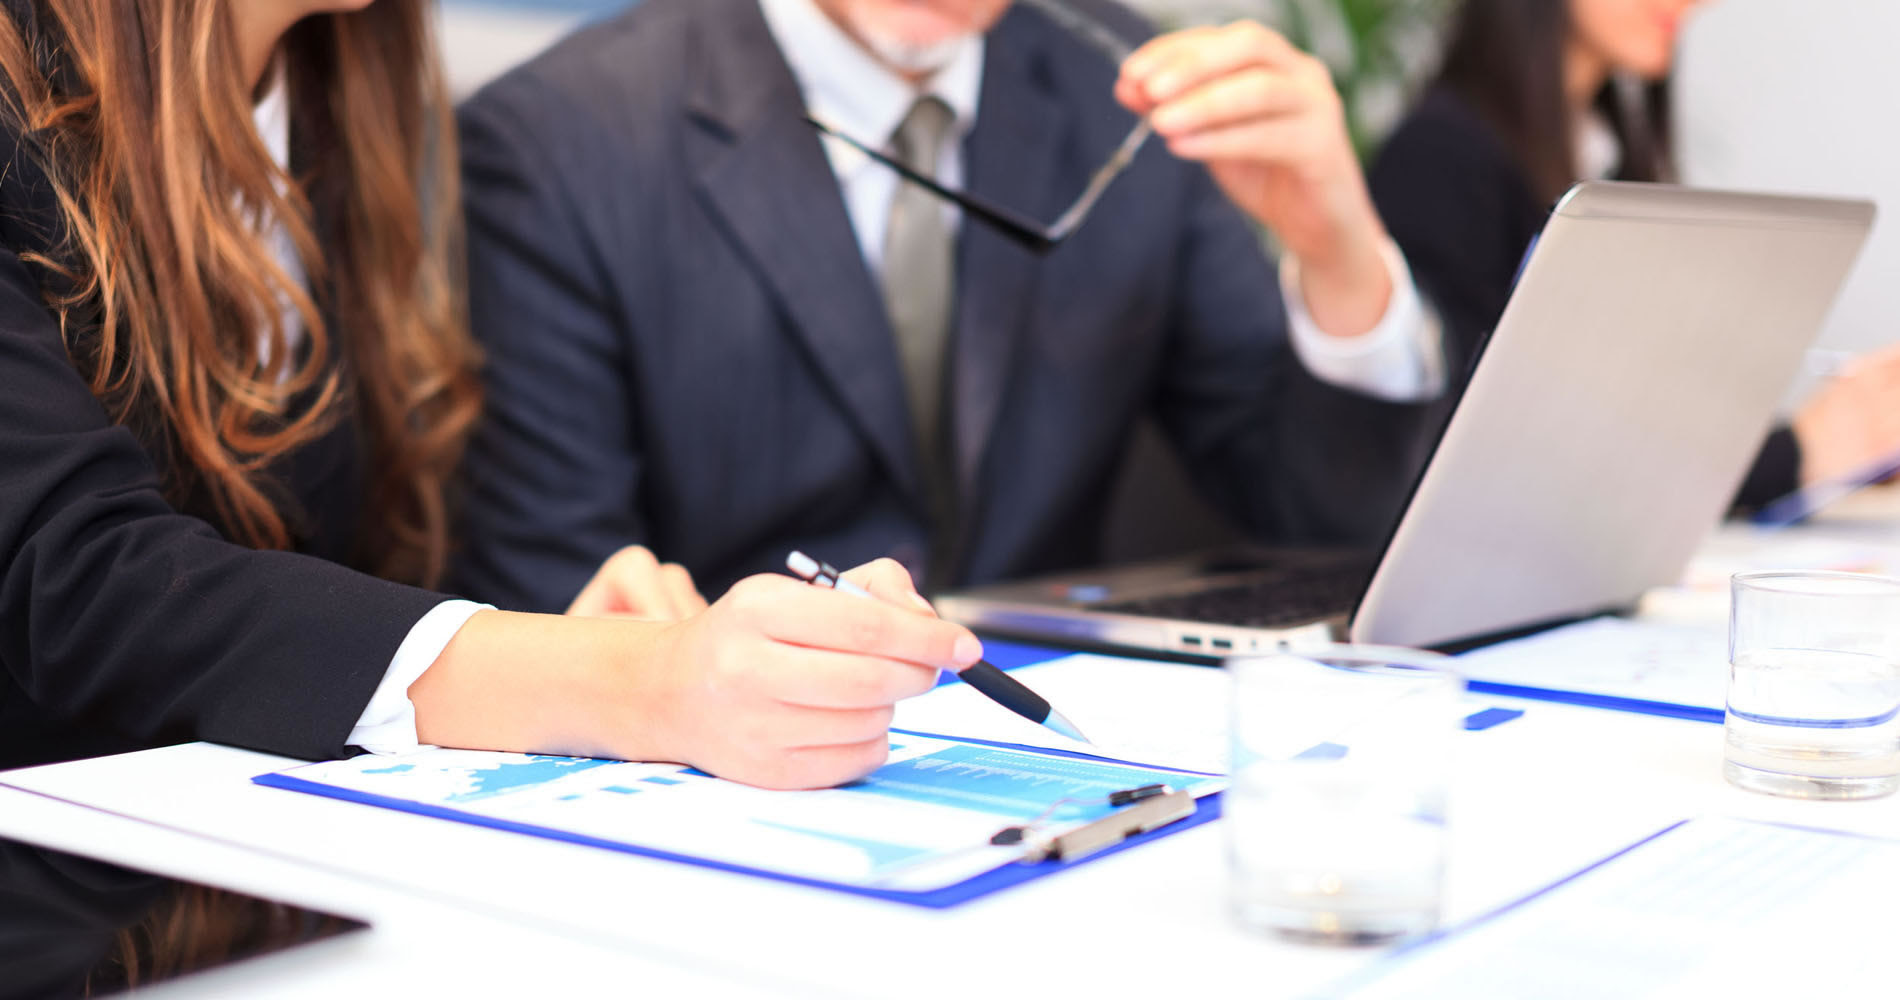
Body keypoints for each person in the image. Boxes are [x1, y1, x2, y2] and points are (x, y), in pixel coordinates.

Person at [0, 0, 985, 791]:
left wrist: (553, 641)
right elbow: (78, 580)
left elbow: (326, 557)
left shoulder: (335, 89)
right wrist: (622, 682)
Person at [454, 0, 1456, 619]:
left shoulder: (1135, 90)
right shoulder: (560, 139)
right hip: (720, 777)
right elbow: (557, 593)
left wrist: (1337, 251)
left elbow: (1320, 518)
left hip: (1060, 755)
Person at [1370, 0, 1900, 509]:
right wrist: (1799, 453)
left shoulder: (1606, 152)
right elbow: (1501, 456)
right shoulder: (1441, 159)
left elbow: (1636, 414)